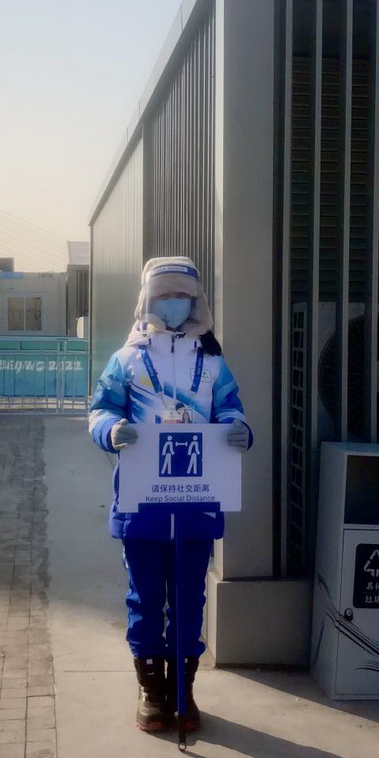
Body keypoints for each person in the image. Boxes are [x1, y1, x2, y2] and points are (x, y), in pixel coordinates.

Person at [88, 257, 252, 733]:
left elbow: (230, 408)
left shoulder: (213, 362)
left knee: (189, 600)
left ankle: (183, 689)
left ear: (196, 301)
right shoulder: (126, 360)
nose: (173, 303)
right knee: (144, 599)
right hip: (142, 507)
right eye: (164, 295)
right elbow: (100, 409)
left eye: (182, 295)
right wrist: (110, 429)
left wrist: (239, 428)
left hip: (197, 506)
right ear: (147, 299)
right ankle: (151, 691)